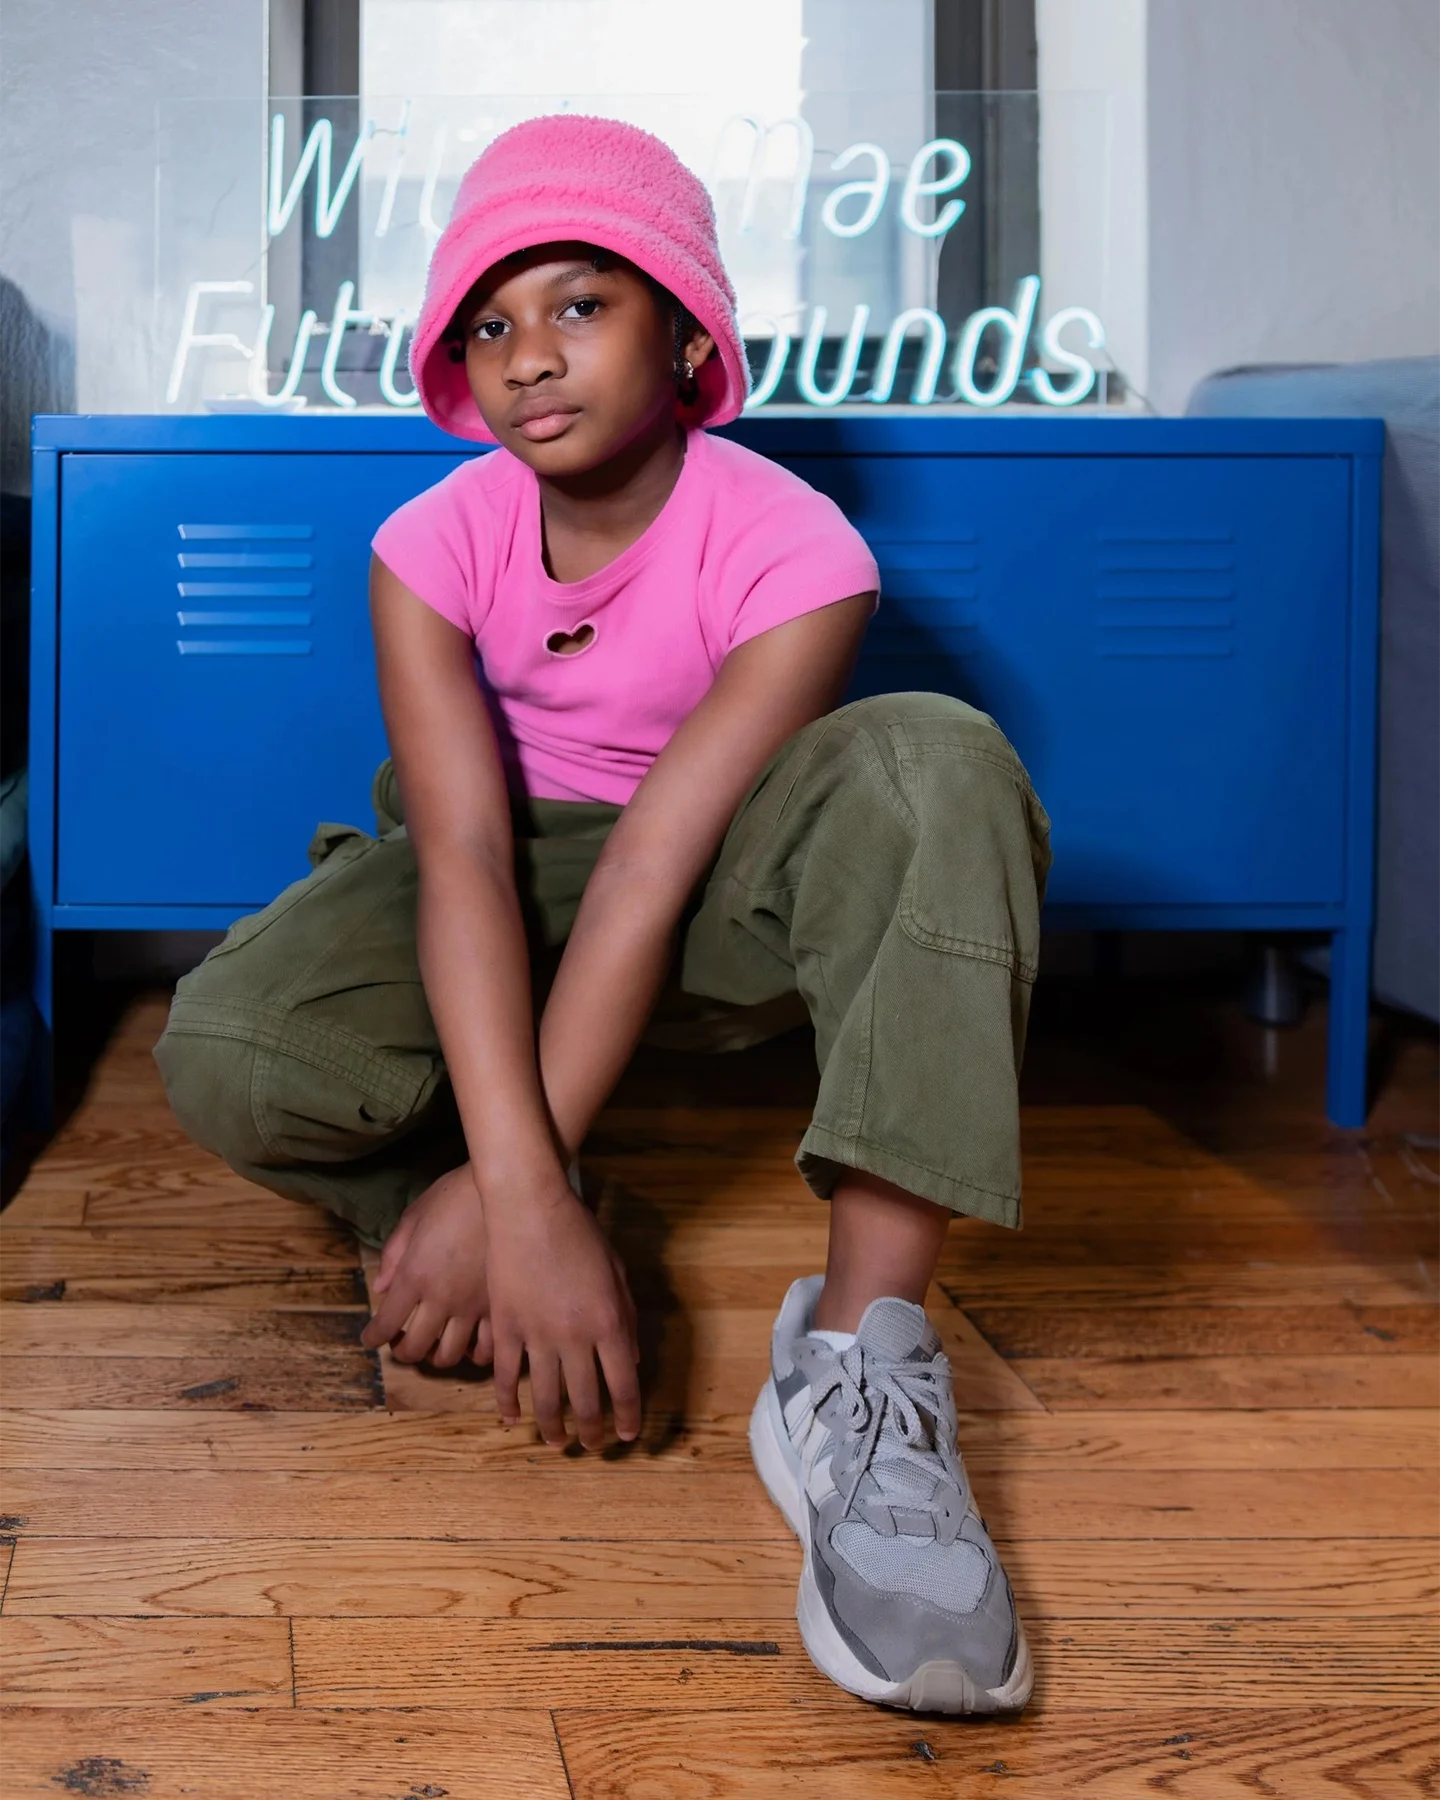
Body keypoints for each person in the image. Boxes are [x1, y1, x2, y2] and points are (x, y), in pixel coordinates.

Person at [155, 114, 1050, 1716]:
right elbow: (470, 863)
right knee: (227, 1042)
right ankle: (496, 1222)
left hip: (705, 890)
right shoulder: (429, 545)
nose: (527, 357)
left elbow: (648, 869)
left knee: (941, 757)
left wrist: (525, 1184)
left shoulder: (791, 541)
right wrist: (533, 1193)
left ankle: (858, 1363)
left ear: (687, 332)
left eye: (579, 305)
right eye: (489, 327)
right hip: (490, 866)